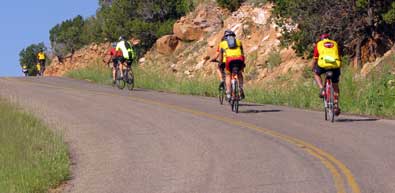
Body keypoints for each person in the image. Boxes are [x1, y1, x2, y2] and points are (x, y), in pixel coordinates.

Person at [311, 33, 342, 115]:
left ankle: (322, 89)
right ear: (329, 38)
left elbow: (315, 59)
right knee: (335, 85)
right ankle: (336, 105)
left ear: (321, 39)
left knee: (316, 73)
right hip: (335, 65)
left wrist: (312, 67)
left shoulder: (319, 44)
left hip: (323, 65)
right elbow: (339, 56)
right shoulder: (335, 43)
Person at [218, 30, 246, 100]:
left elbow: (221, 55)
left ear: (225, 37)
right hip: (240, 59)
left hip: (229, 60)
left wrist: (220, 63)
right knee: (239, 73)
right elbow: (242, 53)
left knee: (228, 75)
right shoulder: (239, 42)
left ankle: (228, 92)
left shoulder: (222, 43)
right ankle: (240, 88)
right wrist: (243, 64)